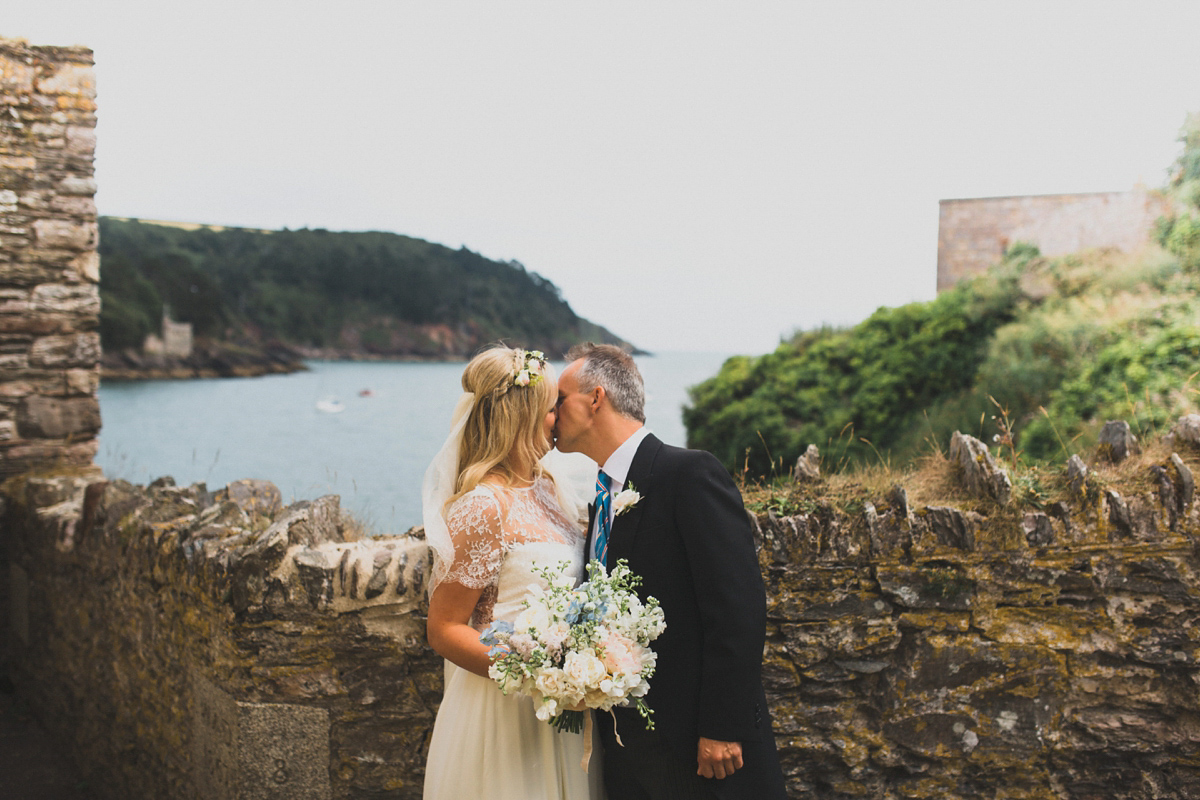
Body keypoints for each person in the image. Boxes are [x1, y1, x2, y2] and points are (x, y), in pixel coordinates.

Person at [553, 343, 787, 800]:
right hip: (630, 748)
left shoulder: (688, 473)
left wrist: (722, 726)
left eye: (560, 399)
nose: (552, 412)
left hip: (699, 746)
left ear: (596, 399)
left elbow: (737, 606)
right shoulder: (602, 497)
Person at [422, 346, 602, 800]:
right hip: (503, 708)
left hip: (562, 706)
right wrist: (537, 673)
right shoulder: (483, 506)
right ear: (521, 418)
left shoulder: (551, 487)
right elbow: (444, 629)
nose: (558, 417)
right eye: (549, 409)